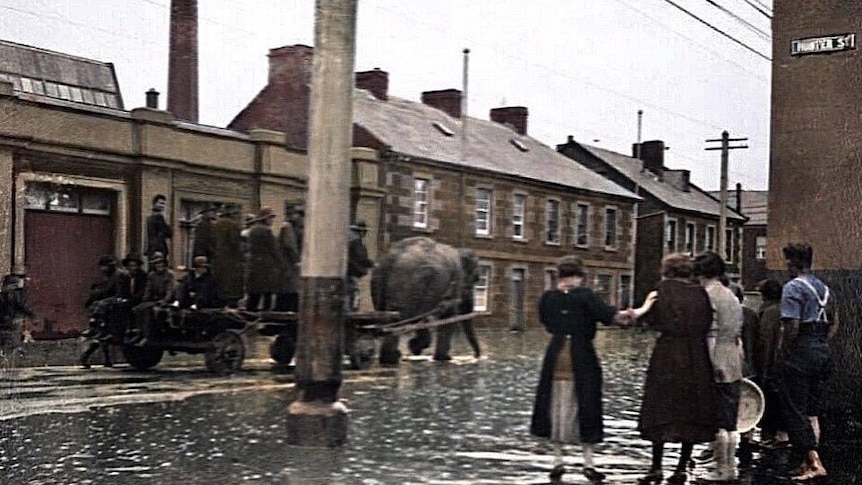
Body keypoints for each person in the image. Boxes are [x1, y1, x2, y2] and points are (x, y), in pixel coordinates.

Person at [530, 255, 656, 482]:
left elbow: (547, 324)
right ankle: (588, 463)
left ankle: (558, 461)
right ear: (579, 276)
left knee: (555, 405)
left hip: (556, 355)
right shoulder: (586, 297)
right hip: (582, 355)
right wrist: (645, 307)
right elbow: (617, 319)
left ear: (559, 276)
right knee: (586, 405)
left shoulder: (547, 298)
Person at [637, 253, 720, 485]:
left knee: (659, 407)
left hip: (668, 354)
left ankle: (656, 466)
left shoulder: (662, 289)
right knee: (691, 410)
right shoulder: (701, 293)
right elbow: (706, 324)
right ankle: (682, 466)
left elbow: (650, 320)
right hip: (696, 356)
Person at [777, 243, 835, 481]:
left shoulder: (792, 288)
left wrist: (784, 351)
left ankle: (813, 462)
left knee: (794, 409)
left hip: (801, 350)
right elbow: (834, 323)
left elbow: (792, 325)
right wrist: (820, 342)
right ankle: (805, 461)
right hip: (821, 349)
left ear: (792, 262)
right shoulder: (825, 289)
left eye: (787, 261)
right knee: (812, 410)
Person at [694, 251, 744, 482]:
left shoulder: (707, 295)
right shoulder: (731, 295)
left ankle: (720, 469)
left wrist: (712, 364)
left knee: (718, 418)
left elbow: (710, 334)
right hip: (734, 357)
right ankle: (730, 467)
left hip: (717, 358)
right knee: (730, 419)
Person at [754, 279, 788, 447]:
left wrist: (764, 370)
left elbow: (766, 342)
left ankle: (771, 436)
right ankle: (782, 435)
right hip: (786, 363)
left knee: (771, 400)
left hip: (772, 364)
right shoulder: (785, 309)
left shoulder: (769, 312)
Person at [79, 255, 123, 369]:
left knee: (101, 335)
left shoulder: (118, 276)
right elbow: (103, 291)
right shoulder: (108, 277)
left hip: (113, 306)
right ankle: (105, 359)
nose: (103, 270)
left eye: (105, 267)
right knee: (101, 335)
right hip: (107, 309)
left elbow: (116, 292)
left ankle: (88, 356)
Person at [131, 252, 175, 347]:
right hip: (153, 300)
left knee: (149, 311)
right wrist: (144, 300)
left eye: (160, 263)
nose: (159, 265)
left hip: (164, 301)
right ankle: (139, 332)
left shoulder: (169, 275)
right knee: (137, 309)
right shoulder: (151, 276)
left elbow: (170, 290)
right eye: (156, 263)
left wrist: (165, 300)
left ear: (164, 263)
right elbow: (148, 289)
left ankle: (147, 336)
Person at [245, 207, 283, 311]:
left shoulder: (252, 230)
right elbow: (273, 249)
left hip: (253, 264)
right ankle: (266, 316)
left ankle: (249, 315)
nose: (272, 221)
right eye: (271, 218)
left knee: (253, 295)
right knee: (267, 294)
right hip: (266, 266)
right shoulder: (266, 231)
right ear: (265, 219)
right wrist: (281, 264)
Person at [212, 204, 244, 308]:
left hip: (217, 259)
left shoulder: (215, 224)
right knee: (231, 288)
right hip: (231, 261)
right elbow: (235, 243)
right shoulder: (233, 225)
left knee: (220, 287)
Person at [0, 274, 35, 358]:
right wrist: (31, 315)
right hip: (12, 321)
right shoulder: (18, 294)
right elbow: (22, 305)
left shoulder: (3, 294)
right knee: (12, 341)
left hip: (4, 321)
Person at [276, 206, 301, 312]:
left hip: (286, 265)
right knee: (290, 289)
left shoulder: (291, 227)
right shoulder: (288, 227)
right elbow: (289, 245)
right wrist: (297, 260)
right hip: (288, 265)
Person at [347, 220, 374, 311]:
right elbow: (361, 258)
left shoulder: (350, 241)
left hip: (350, 273)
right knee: (354, 295)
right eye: (365, 232)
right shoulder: (357, 243)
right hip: (353, 274)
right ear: (361, 232)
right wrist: (372, 264)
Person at [145, 194, 172, 265]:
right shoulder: (153, 218)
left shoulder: (160, 217)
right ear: (154, 204)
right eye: (160, 203)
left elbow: (169, 234)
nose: (162, 206)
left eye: (164, 204)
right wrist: (156, 250)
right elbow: (152, 235)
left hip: (160, 250)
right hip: (157, 251)